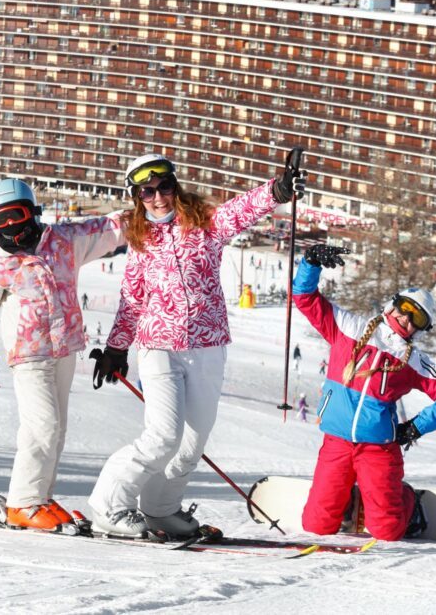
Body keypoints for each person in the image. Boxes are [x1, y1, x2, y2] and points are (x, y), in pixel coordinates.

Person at [89, 151, 305, 538]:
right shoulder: (141, 241)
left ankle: (160, 509)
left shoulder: (204, 224)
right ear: (136, 196)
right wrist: (117, 348)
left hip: (207, 346)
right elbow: (133, 298)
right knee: (162, 437)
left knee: (191, 444)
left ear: (175, 185)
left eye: (164, 187)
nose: (158, 197)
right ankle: (109, 506)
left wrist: (278, 190)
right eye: (147, 191)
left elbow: (240, 211)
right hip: (158, 347)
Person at [0, 178, 125, 531]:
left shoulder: (63, 241)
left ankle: (40, 495)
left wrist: (147, 217)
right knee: (41, 425)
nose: (12, 228)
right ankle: (22, 502)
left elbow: (106, 229)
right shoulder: (0, 262)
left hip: (64, 347)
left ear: (33, 211)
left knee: (56, 430)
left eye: (18, 215)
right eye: (1, 220)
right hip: (28, 353)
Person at [290, 244, 436, 540]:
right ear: (391, 305)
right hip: (337, 442)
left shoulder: (413, 361)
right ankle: (348, 499)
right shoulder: (348, 327)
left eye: (417, 319)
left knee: (387, 531)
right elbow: (305, 299)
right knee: (317, 526)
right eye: (406, 309)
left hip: (379, 449)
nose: (407, 319)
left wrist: (413, 428)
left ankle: (406, 500)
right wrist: (310, 264)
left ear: (421, 329)